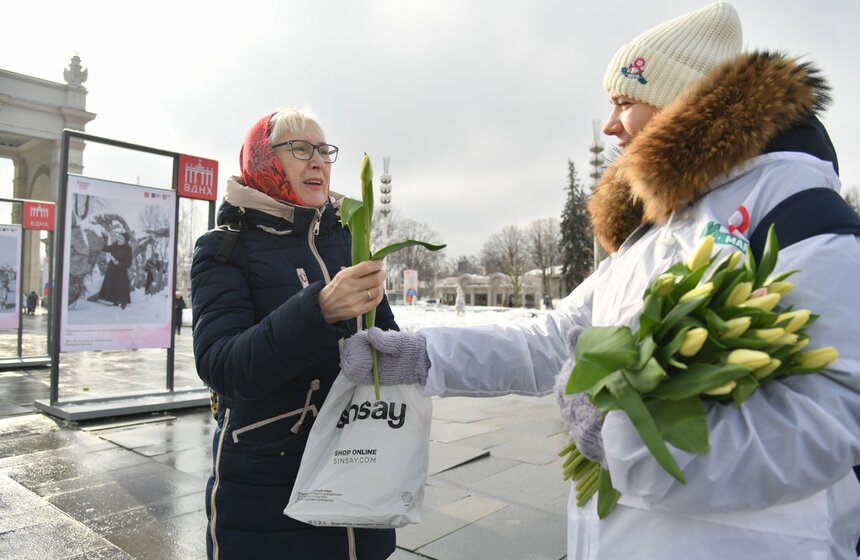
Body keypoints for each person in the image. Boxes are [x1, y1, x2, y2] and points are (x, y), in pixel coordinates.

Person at [342, 3, 860, 558]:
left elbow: (832, 415)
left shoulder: (795, 209)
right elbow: (556, 339)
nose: (611, 125)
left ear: (683, 101)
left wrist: (629, 441)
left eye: (624, 102)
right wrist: (423, 355)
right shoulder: (653, 228)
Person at [190, 108, 395, 559]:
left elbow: (383, 331)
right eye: (300, 149)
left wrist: (403, 354)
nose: (318, 160)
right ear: (264, 160)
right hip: (271, 490)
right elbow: (223, 367)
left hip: (360, 475)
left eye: (324, 150)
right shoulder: (225, 247)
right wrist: (318, 309)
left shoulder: (345, 238)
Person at [91, 228, 133, 309]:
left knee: (121, 286)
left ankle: (123, 302)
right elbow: (107, 248)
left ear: (125, 240)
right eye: (119, 237)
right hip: (112, 268)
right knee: (112, 284)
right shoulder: (115, 245)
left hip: (121, 270)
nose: (119, 239)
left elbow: (128, 263)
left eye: (121, 238)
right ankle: (115, 301)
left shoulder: (127, 249)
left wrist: (119, 263)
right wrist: (99, 243)